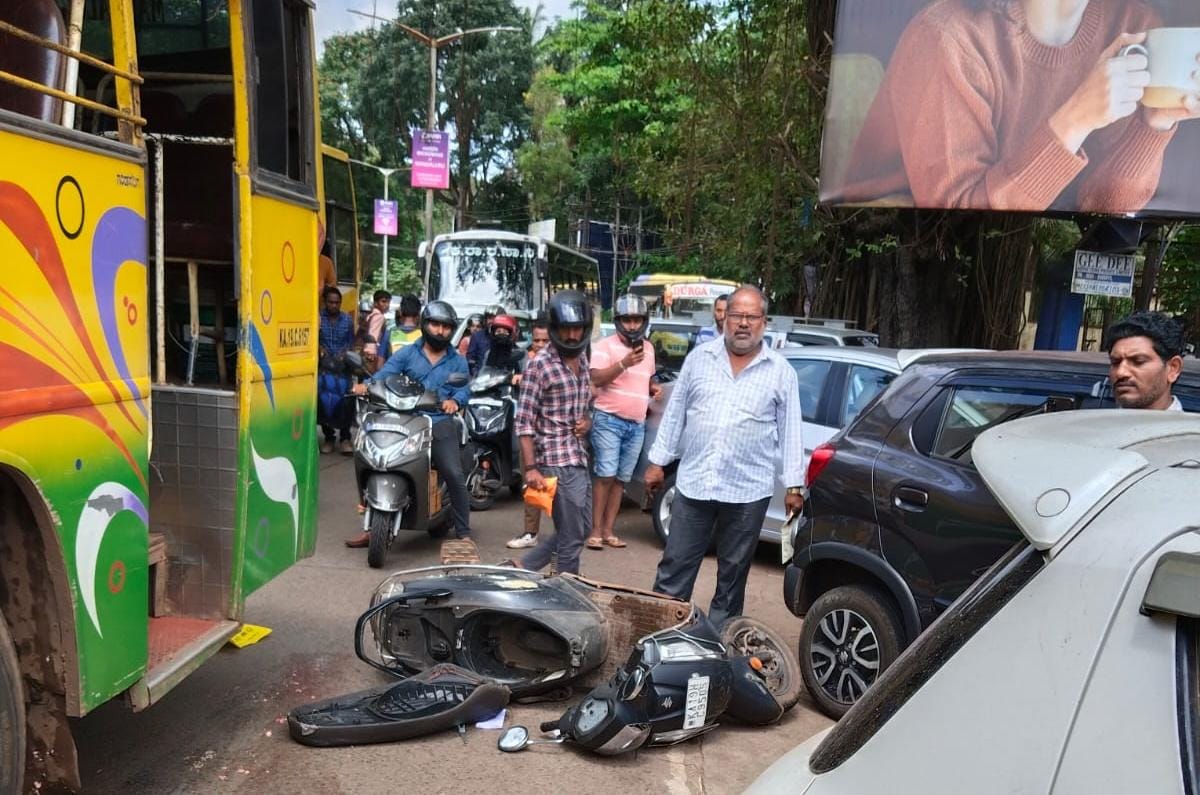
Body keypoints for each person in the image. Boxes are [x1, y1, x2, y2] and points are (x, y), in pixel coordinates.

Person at [834, 0, 1200, 213]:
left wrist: (1154, 124)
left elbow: (1101, 206)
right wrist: (1074, 120)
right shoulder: (948, 36)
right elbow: (960, 210)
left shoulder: (1134, 26)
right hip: (903, 228)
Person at [644, 286, 805, 628]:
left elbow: (792, 430)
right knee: (675, 567)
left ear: (764, 322)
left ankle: (718, 645)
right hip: (695, 483)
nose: (743, 323)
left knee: (733, 575)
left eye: (751, 316)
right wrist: (658, 462)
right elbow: (675, 415)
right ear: (725, 317)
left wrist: (794, 485)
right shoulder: (699, 359)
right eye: (737, 315)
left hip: (748, 491)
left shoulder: (780, 371)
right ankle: (660, 637)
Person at [345, 301, 474, 547]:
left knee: (453, 473)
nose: (440, 331)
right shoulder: (407, 353)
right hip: (405, 418)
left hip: (437, 420)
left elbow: (464, 389)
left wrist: (454, 402)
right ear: (425, 325)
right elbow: (384, 375)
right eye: (435, 324)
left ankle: (463, 532)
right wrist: (366, 385)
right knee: (373, 461)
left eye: (446, 327)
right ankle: (372, 527)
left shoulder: (456, 361)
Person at [510, 292, 594, 575]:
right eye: (565, 329)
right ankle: (568, 588)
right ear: (555, 329)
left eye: (577, 328)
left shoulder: (583, 358)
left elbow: (584, 404)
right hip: (554, 460)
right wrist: (531, 468)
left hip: (578, 456)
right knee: (571, 537)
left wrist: (587, 421)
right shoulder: (540, 365)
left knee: (581, 529)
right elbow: (523, 421)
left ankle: (525, 565)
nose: (572, 335)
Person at [585, 294, 662, 550]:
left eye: (636, 320)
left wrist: (653, 388)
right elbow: (596, 379)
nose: (632, 325)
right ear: (618, 321)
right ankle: (594, 531)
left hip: (636, 423)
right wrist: (623, 363)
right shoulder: (604, 346)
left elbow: (645, 379)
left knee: (621, 479)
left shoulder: (648, 349)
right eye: (627, 320)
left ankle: (608, 531)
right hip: (608, 419)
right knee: (605, 475)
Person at [506, 320, 552, 549]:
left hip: (555, 435)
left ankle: (567, 532)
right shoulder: (522, 359)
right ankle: (530, 532)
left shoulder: (562, 362)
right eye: (537, 340)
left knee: (563, 484)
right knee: (531, 481)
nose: (541, 344)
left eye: (546, 340)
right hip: (529, 432)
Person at [1105, 311, 1186, 411]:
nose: (1121, 372)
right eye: (1115, 362)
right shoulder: (1095, 424)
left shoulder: (1191, 427)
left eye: (1138, 361)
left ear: (1173, 368)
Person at [317, 286, 355, 454]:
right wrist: (320, 349)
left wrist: (344, 353)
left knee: (345, 402)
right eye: (331, 302)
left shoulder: (347, 320)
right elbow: (313, 339)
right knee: (324, 402)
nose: (334, 305)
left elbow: (351, 343)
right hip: (324, 367)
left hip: (342, 368)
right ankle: (329, 438)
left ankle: (345, 438)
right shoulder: (317, 318)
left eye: (337, 302)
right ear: (325, 302)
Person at [467, 304, 506, 374]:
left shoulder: (507, 336)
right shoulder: (477, 336)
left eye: (494, 318)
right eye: (489, 318)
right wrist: (475, 372)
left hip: (501, 377)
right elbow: (470, 359)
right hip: (481, 379)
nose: (491, 321)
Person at [385, 294, 423, 361]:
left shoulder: (389, 334)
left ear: (401, 312)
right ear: (419, 313)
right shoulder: (424, 336)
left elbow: (380, 363)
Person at [363, 289, 390, 373]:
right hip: (372, 354)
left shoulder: (371, 315)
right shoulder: (379, 316)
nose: (386, 305)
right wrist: (371, 352)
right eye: (383, 301)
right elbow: (373, 334)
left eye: (388, 302)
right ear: (375, 303)